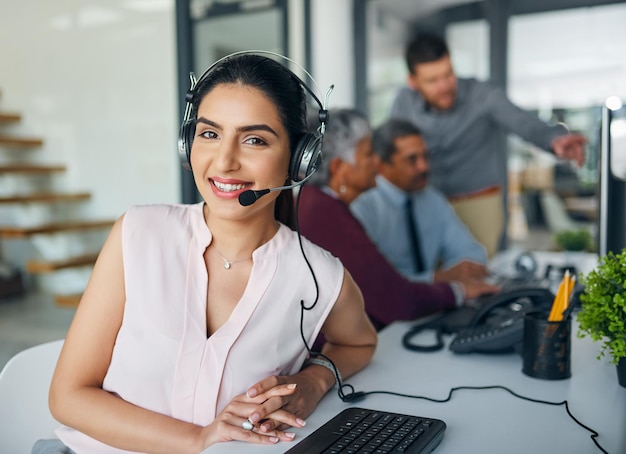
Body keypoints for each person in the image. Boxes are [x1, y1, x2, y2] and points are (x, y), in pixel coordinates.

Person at [45, 54, 377, 453]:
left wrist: (314, 381)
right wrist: (198, 439)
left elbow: (359, 343)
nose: (224, 161)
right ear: (188, 144)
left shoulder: (319, 276)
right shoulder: (138, 234)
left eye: (254, 139)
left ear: (299, 159)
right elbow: (67, 397)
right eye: (209, 134)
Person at [298, 108, 498, 331]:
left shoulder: (319, 204)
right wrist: (456, 289)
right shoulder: (327, 213)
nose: (377, 163)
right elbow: (393, 296)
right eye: (369, 154)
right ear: (340, 169)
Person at [390, 32, 587, 255]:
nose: (444, 86)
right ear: (413, 82)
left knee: (479, 271)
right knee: (434, 278)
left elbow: (520, 120)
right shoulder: (403, 103)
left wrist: (554, 139)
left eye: (448, 74)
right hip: (427, 201)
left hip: (478, 201)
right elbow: (391, 147)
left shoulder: (483, 94)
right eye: (432, 81)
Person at [351, 118, 491, 287]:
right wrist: (436, 278)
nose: (423, 167)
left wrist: (460, 271)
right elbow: (372, 281)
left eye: (425, 156)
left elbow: (473, 252)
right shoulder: (362, 206)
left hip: (438, 302)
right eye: (412, 159)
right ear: (380, 165)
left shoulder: (432, 199)